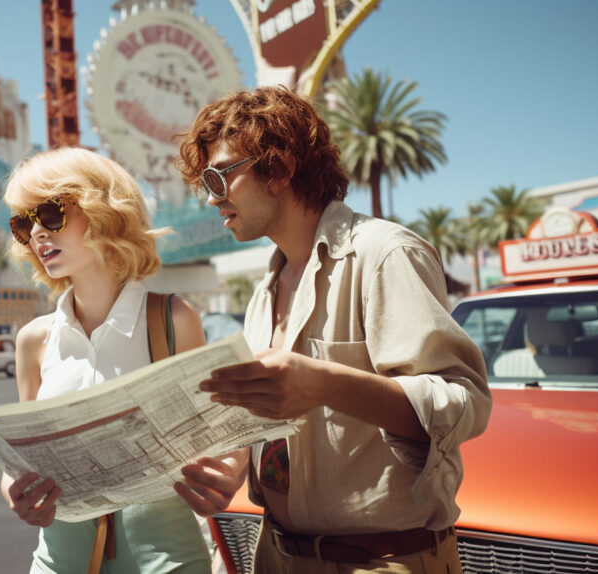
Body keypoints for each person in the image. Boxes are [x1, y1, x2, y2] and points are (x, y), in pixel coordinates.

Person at [175, 86, 492, 573]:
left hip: (381, 559)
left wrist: (323, 383)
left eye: (219, 176)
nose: (212, 198)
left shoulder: (384, 255)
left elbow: (462, 403)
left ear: (278, 169)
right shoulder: (267, 286)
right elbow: (276, 423)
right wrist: (236, 463)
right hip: (275, 553)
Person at [0, 147, 246, 573]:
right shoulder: (34, 340)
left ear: (103, 211)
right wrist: (14, 493)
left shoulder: (173, 319)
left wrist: (229, 471)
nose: (37, 232)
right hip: (58, 559)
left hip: (165, 558)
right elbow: (20, 464)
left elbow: (221, 439)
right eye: (24, 223)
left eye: (51, 213)